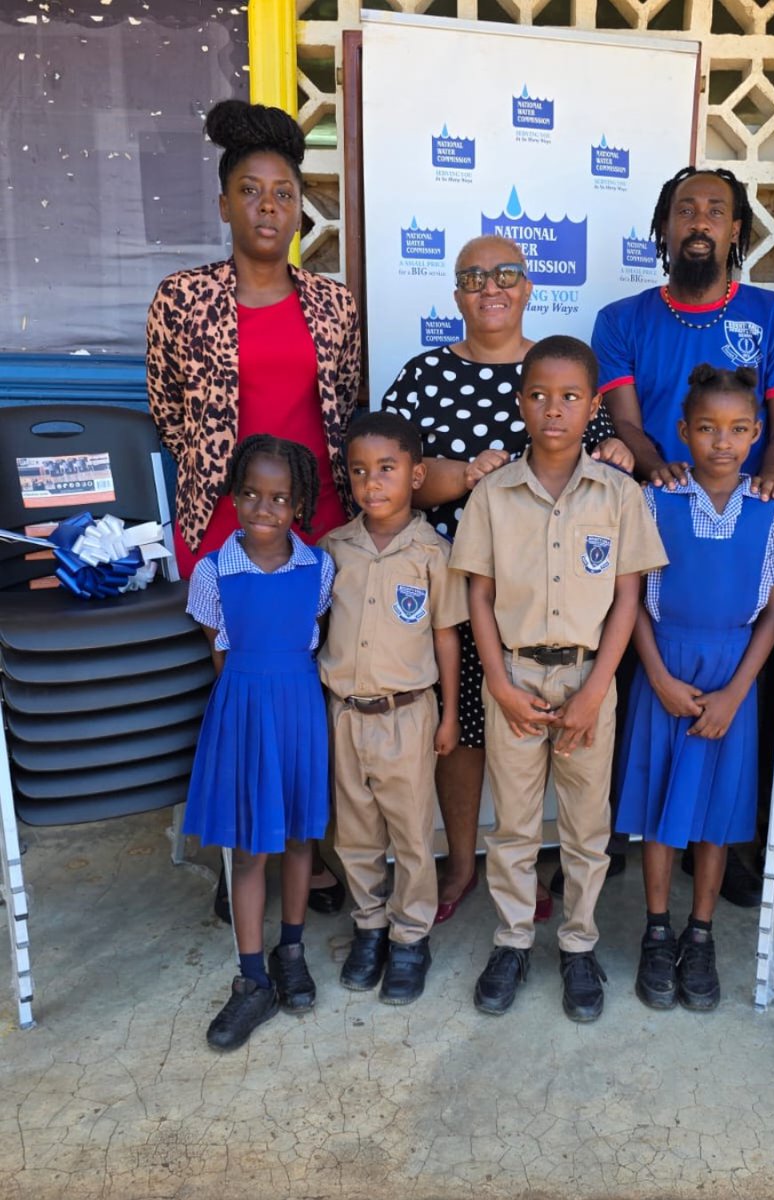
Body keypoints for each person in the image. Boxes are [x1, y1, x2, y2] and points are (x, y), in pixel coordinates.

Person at [146, 97, 359, 916]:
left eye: (283, 194)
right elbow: (168, 410)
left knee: (308, 689)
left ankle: (310, 849)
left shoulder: (334, 305)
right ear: (223, 203)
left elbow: (343, 406)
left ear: (300, 209)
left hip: (318, 526)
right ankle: (241, 853)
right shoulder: (182, 298)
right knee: (238, 693)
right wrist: (217, 487)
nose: (268, 207)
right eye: (250, 191)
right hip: (224, 525)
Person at [383, 234, 633, 923]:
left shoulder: (555, 367)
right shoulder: (424, 374)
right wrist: (464, 475)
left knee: (538, 730)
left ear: (528, 287)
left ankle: (528, 874)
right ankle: (464, 865)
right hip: (448, 585)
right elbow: (390, 472)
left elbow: (600, 454)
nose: (489, 287)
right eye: (472, 277)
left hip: (540, 599)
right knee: (461, 728)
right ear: (455, 294)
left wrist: (618, 447)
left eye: (505, 274)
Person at [591, 165, 774, 908]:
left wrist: (765, 489)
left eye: (716, 210)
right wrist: (662, 472)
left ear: (737, 229)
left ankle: (724, 844)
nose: (700, 221)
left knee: (738, 696)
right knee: (641, 687)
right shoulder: (622, 319)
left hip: (741, 524)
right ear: (664, 227)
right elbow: (625, 423)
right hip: (654, 519)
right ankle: (621, 834)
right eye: (685, 210)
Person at [451, 336, 666, 1022]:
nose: (553, 409)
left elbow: (628, 597)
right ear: (521, 403)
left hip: (587, 678)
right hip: (514, 676)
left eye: (570, 397)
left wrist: (597, 689)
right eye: (539, 395)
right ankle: (512, 941)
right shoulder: (492, 494)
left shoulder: (619, 494)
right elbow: (479, 595)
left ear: (593, 406)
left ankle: (578, 944)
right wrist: (500, 684)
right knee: (514, 825)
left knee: (585, 825)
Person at [616, 365, 774, 1012]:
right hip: (665, 666)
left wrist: (735, 694)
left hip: (732, 676)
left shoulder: (770, 511)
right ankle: (657, 930)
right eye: (706, 428)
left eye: (737, 429)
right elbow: (632, 603)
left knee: (717, 817)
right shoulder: (655, 500)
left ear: (756, 433)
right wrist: (657, 677)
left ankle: (700, 934)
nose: (722, 442)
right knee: (660, 811)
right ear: (682, 431)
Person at [184, 435, 333, 1051]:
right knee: (248, 849)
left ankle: (289, 950)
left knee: (299, 837)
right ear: (233, 496)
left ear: (299, 503)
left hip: (299, 708)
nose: (263, 508)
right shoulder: (212, 570)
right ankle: (252, 978)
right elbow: (219, 651)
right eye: (250, 494)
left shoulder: (318, 567)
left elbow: (310, 634)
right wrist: (250, 701)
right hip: (244, 711)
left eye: (279, 497)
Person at [319, 414, 468, 1005]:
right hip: (344, 714)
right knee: (355, 833)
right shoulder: (334, 549)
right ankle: (369, 927)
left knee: (410, 834)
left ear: (416, 475)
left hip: (408, 714)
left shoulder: (433, 553)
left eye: (387, 469)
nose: (372, 482)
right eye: (359, 471)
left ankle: (410, 937)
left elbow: (446, 638)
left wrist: (449, 714)